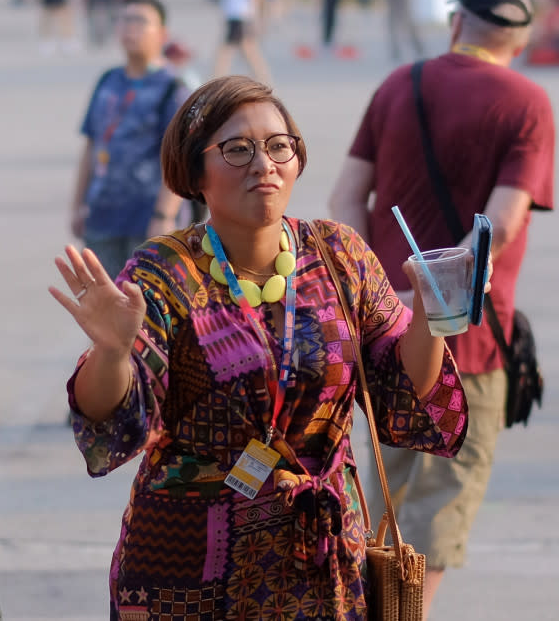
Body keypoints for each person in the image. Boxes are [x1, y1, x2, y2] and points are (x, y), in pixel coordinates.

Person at [50, 74, 470, 619]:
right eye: (237, 149)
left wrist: (434, 320)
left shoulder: (339, 255)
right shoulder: (163, 271)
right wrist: (109, 352)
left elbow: (403, 394)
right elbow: (115, 416)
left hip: (324, 557)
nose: (263, 163)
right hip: (189, 568)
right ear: (195, 171)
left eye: (278, 146)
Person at [329, 0, 554, 616]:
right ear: (520, 34)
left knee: (388, 508)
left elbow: (347, 195)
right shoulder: (527, 103)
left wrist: (375, 295)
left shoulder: (401, 83)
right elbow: (502, 222)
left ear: (457, 20)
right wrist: (447, 288)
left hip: (385, 339)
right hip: (470, 343)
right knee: (433, 523)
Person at [71, 0, 189, 279]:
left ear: (163, 34)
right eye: (125, 20)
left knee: (150, 312)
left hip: (147, 220)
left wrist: (165, 217)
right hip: (102, 218)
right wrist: (78, 205)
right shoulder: (107, 81)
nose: (130, 28)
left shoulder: (173, 88)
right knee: (106, 309)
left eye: (140, 21)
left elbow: (180, 159)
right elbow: (91, 145)